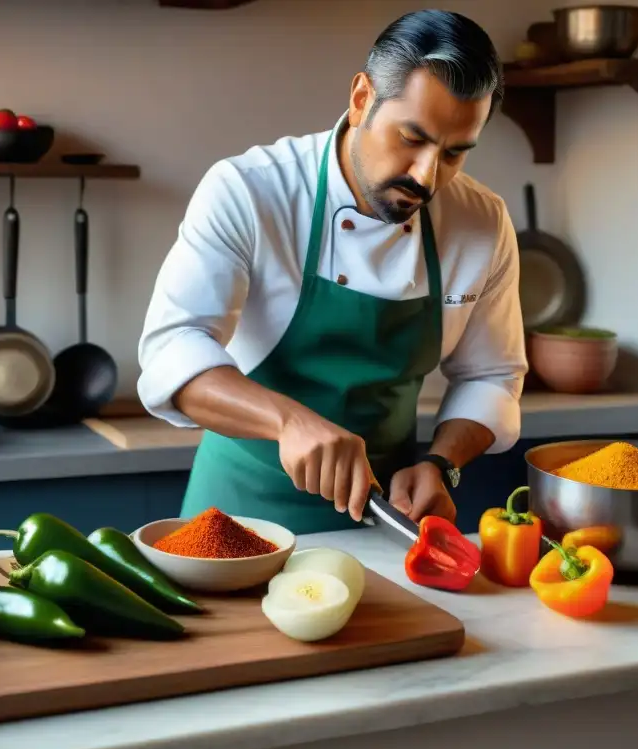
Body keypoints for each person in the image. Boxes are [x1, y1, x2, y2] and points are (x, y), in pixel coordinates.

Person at [135, 9, 528, 535]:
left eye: (454, 153)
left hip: (384, 519)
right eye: (411, 138)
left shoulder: (481, 222)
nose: (427, 176)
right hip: (236, 517)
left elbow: (491, 376)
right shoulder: (250, 191)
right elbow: (171, 350)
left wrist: (441, 465)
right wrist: (288, 421)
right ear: (363, 97)